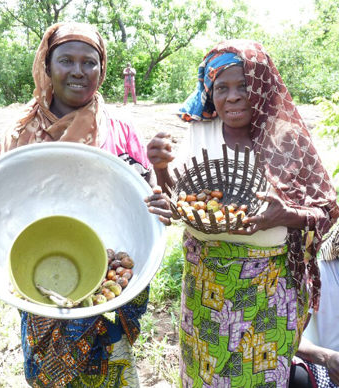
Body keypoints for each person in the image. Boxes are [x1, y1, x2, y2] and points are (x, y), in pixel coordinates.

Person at [0, 22, 159, 388]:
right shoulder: (20, 132)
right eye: (66, 61)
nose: (78, 71)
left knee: (112, 370)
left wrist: (162, 186)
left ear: (102, 70)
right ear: (47, 66)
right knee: (50, 376)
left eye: (89, 62)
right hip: (40, 274)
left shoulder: (121, 130)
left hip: (105, 278)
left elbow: (147, 199)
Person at [144, 40, 339, 387]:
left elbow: (327, 209)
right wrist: (159, 169)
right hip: (206, 288)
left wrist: (285, 215)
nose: (232, 96)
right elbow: (182, 199)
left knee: (261, 376)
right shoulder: (199, 131)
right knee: (207, 374)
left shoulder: (286, 139)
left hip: (268, 291)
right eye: (222, 87)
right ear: (210, 92)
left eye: (243, 85)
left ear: (262, 87)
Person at [290, 222, 339, 388]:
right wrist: (327, 358)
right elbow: (289, 338)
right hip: (320, 368)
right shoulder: (317, 274)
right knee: (296, 377)